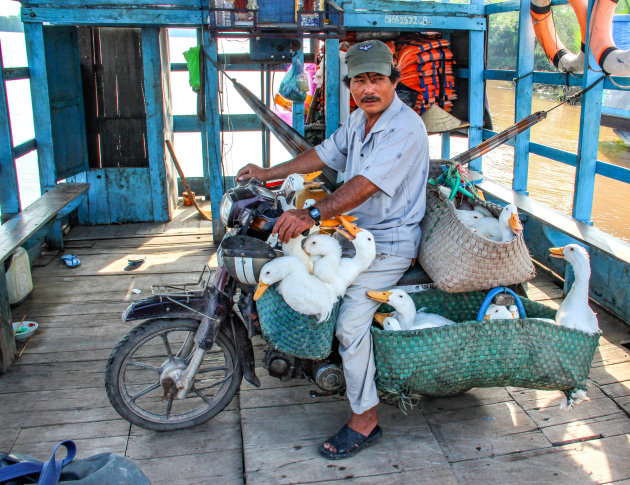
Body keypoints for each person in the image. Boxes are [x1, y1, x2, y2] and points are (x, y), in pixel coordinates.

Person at [236, 39, 429, 459]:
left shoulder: (406, 127)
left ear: (393, 81)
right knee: (284, 249)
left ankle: (366, 419)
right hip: (351, 231)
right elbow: (322, 155)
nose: (368, 89)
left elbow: (365, 185)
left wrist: (313, 214)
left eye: (377, 79)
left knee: (350, 323)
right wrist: (268, 173)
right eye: (360, 81)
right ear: (350, 86)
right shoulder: (359, 121)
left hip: (388, 243)